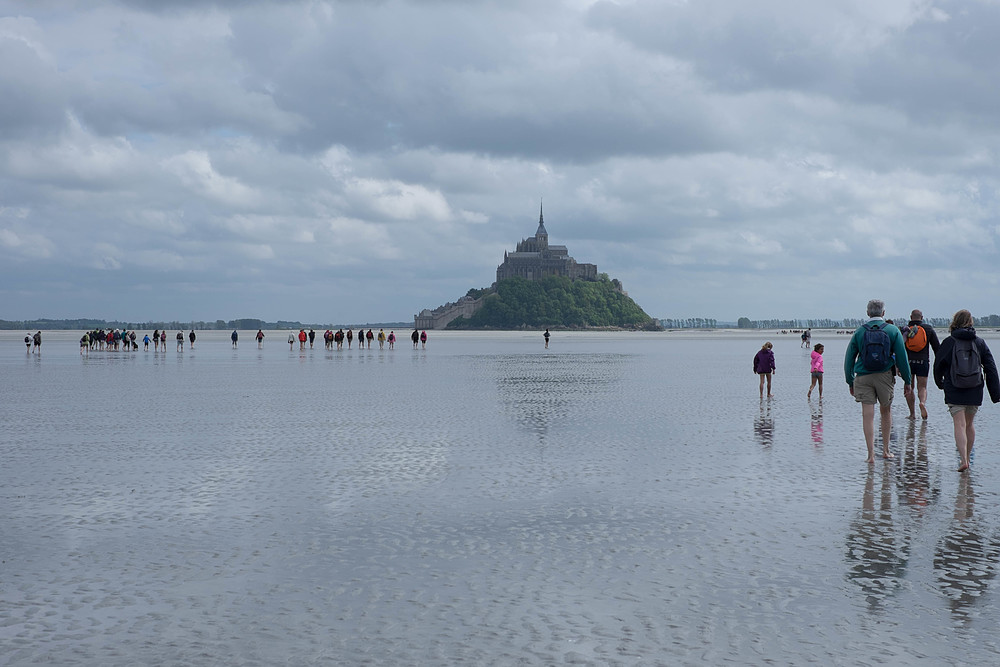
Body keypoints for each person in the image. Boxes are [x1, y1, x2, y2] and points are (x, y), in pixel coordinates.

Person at [844, 299, 912, 463]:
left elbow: (849, 359)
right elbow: (902, 358)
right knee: (885, 412)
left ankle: (870, 455)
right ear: (883, 313)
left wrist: (850, 381)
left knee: (867, 415)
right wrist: (907, 380)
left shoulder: (859, 332)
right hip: (884, 376)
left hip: (863, 376)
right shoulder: (892, 330)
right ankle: (886, 451)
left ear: (868, 313)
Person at [933, 309, 1000, 472]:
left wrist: (940, 383)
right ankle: (968, 458)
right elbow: (991, 368)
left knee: (959, 423)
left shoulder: (949, 342)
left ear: (954, 322)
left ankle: (963, 459)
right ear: (971, 322)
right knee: (969, 424)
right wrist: (995, 393)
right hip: (974, 388)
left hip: (954, 388)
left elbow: (938, 365)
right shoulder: (979, 342)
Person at [903, 309, 941, 420]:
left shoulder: (905, 329)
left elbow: (900, 348)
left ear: (911, 317)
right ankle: (922, 403)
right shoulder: (928, 329)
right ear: (922, 317)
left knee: (909, 387)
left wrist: (898, 366)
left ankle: (912, 414)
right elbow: (937, 348)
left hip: (908, 363)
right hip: (923, 362)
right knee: (922, 387)